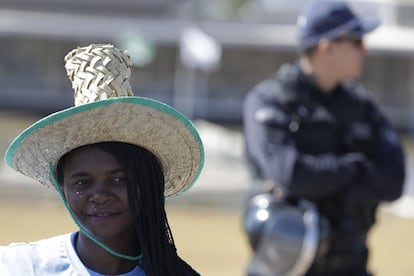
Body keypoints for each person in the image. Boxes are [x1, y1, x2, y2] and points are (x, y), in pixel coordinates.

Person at [0, 44, 204, 276]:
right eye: (82, 183)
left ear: (148, 183)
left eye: (119, 179)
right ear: (61, 187)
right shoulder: (20, 267)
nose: (99, 195)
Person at [243, 1, 405, 275]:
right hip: (285, 267)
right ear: (326, 46)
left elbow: (393, 181)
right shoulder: (270, 100)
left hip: (352, 265)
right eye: (356, 42)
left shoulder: (362, 106)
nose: (364, 50)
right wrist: (356, 167)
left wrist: (317, 185)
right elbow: (291, 175)